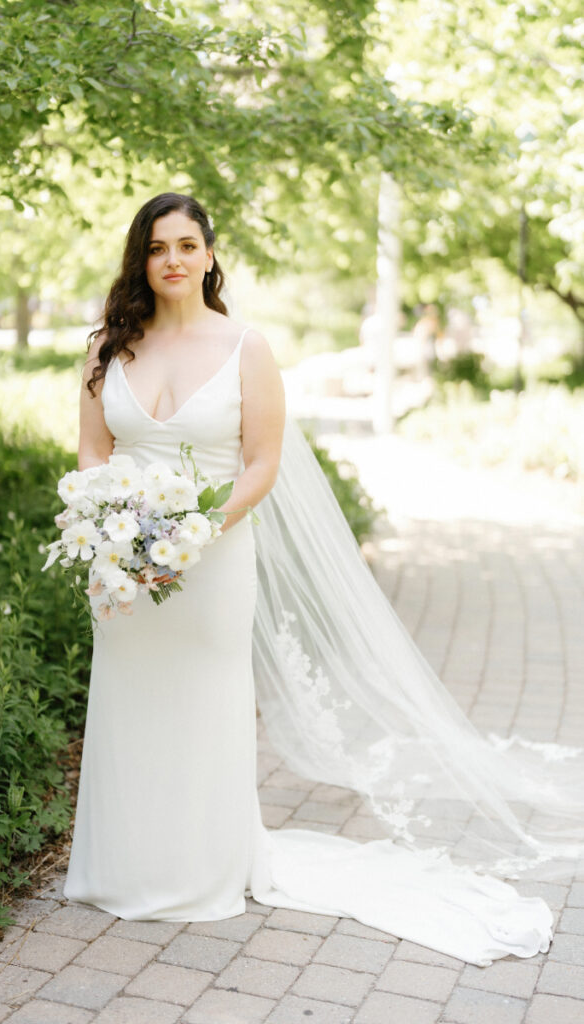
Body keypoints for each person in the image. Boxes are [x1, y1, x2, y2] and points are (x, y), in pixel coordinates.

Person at [63, 192, 584, 967]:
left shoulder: (245, 348)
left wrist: (195, 532)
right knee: (129, 705)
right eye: (155, 247)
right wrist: (111, 531)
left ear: (209, 255)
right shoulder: (108, 346)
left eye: (185, 244)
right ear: (140, 259)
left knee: (204, 705)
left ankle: (199, 872)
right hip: (126, 568)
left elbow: (262, 464)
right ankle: (121, 866)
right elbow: (91, 452)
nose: (171, 259)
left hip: (210, 559)